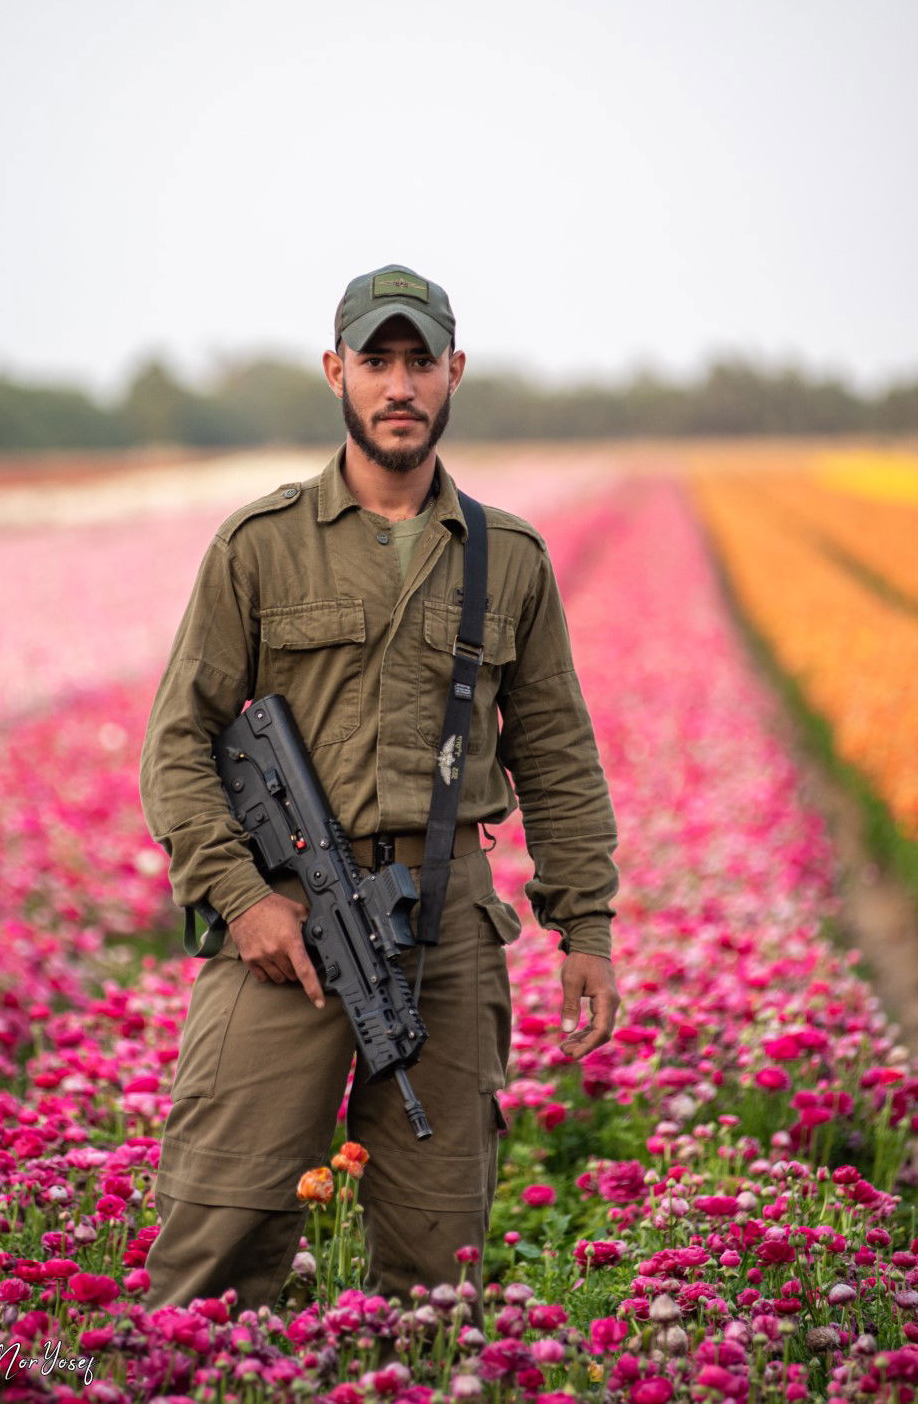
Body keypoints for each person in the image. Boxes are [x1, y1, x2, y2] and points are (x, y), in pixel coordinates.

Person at [138, 263, 620, 1312]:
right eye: (375, 361)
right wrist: (243, 896)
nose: (398, 385)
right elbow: (177, 745)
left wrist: (586, 930)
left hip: (445, 925)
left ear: (454, 372)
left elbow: (557, 756)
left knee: (436, 1260)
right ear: (335, 372)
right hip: (289, 924)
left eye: (418, 361)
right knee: (219, 1234)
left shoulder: (509, 558)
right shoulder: (258, 546)